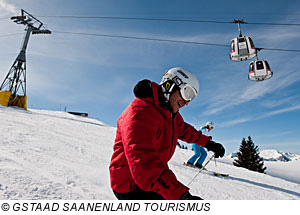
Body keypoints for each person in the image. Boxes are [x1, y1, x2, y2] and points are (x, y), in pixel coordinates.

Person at [109, 67, 225, 200]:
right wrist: (182, 197)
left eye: (191, 98)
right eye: (187, 93)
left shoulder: (169, 113)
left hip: (150, 179)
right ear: (169, 85)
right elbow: (144, 162)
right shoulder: (139, 114)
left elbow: (186, 131)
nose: (187, 102)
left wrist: (209, 143)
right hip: (130, 184)